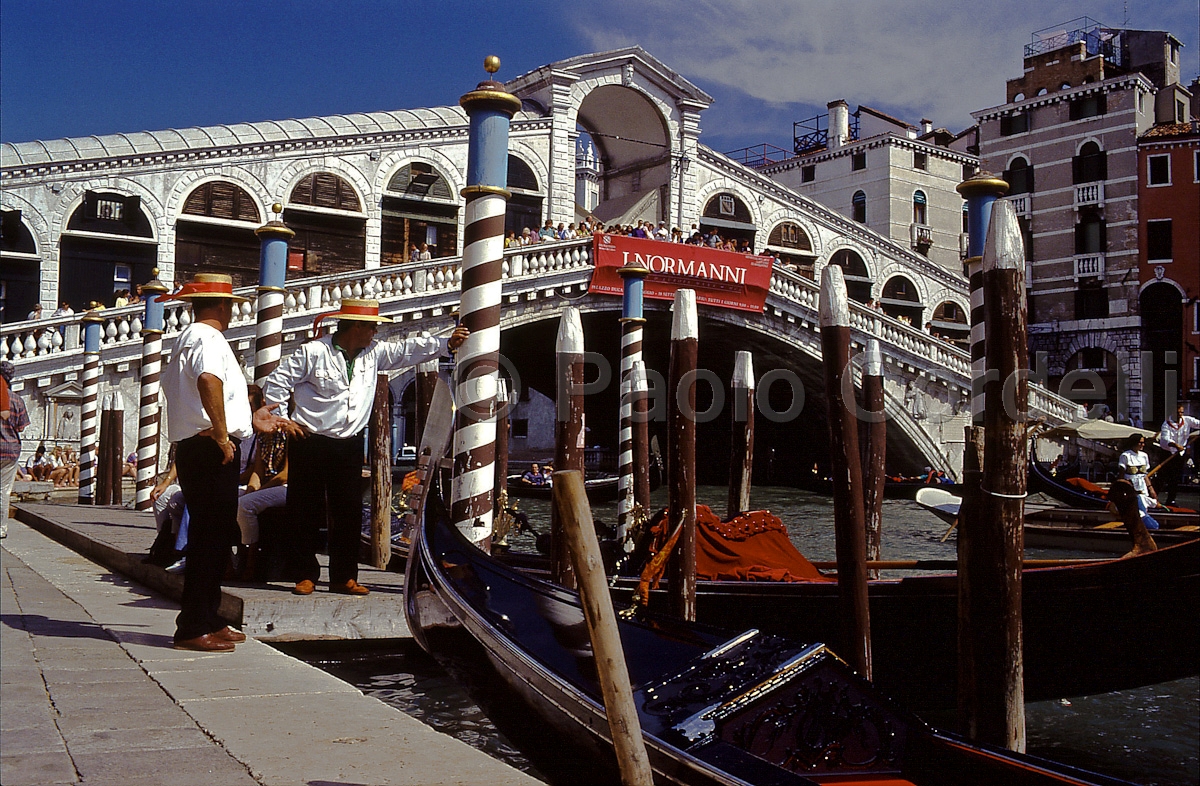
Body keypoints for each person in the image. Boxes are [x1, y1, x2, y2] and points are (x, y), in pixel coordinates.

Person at [264, 298, 468, 597]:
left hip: (349, 443)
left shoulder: (373, 353)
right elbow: (277, 383)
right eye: (371, 326)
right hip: (309, 440)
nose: (375, 332)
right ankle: (304, 573)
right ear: (355, 326)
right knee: (303, 510)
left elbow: (406, 350)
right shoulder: (313, 351)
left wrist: (445, 343)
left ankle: (343, 577)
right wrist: (282, 419)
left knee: (348, 511)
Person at [160, 273, 296, 652]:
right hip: (208, 448)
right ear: (223, 305)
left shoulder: (193, 337)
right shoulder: (207, 337)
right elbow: (208, 381)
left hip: (203, 446)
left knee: (216, 535)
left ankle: (209, 615)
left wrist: (246, 422)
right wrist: (222, 433)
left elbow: (204, 389)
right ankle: (192, 625)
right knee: (209, 536)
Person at [234, 385, 289, 581]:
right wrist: (251, 489)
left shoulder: (290, 433)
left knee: (245, 505)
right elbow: (258, 470)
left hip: (285, 487)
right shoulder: (263, 436)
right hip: (267, 486)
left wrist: (257, 492)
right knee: (227, 500)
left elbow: (285, 474)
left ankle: (250, 558)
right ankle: (230, 556)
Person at [2, 361, 30, 539]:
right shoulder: (17, 400)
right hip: (10, 449)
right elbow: (21, 427)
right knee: (3, 490)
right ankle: (1, 528)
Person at [1157, 404, 1199, 507]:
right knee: (1162, 477)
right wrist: (1176, 445)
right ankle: (1153, 499)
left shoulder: (1187, 420)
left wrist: (1180, 447)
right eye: (1178, 413)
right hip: (1167, 453)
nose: (1180, 415)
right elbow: (1166, 439)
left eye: (1181, 412)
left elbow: (1198, 424)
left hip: (1179, 454)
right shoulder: (1166, 424)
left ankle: (1171, 500)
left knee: (1175, 477)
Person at [1117, 434, 1160, 530]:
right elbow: (1121, 475)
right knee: (1138, 509)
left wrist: (1151, 489)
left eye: (1143, 442)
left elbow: (1146, 475)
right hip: (1131, 486)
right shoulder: (1125, 455)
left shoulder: (1144, 456)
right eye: (1140, 442)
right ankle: (1149, 526)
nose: (1142, 445)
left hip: (1142, 486)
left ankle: (1145, 528)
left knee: (1144, 507)